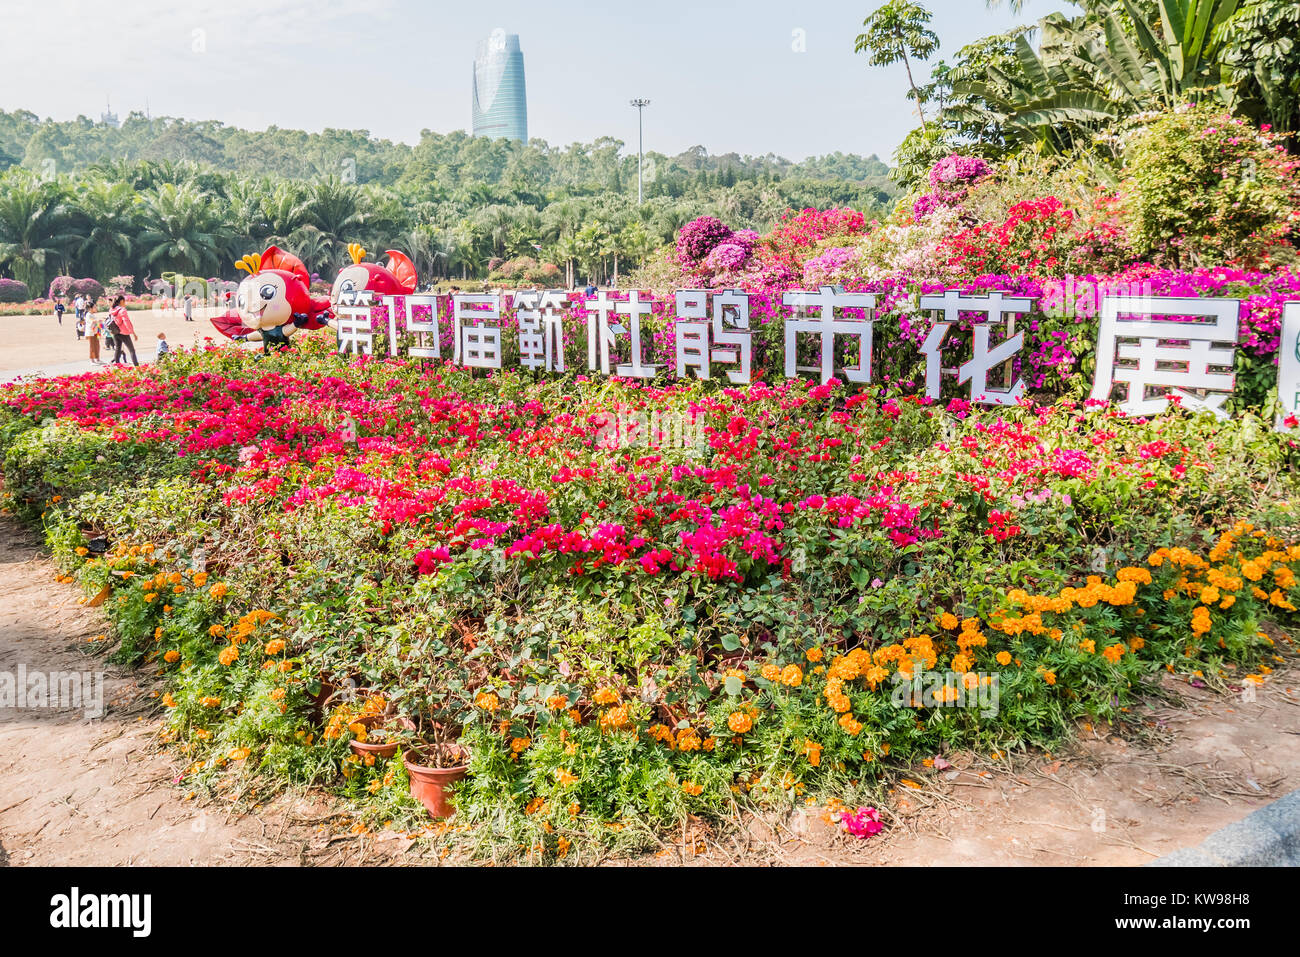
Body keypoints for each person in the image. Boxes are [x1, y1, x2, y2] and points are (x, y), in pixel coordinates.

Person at [107, 296, 139, 366]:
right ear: (121, 301)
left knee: (118, 349)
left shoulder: (111, 309)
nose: (125, 303)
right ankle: (137, 367)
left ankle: (117, 366)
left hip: (115, 332)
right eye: (124, 301)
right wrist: (133, 332)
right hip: (123, 333)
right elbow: (126, 322)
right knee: (132, 350)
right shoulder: (122, 310)